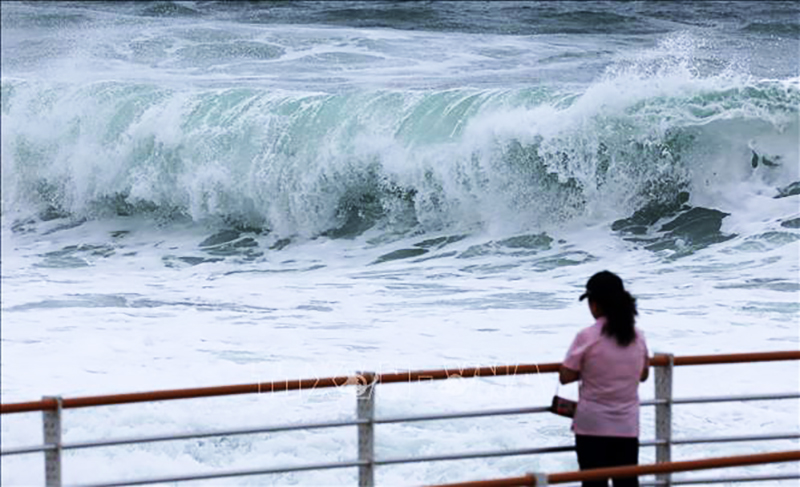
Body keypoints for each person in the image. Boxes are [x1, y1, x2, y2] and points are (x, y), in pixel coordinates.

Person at [560, 271, 649, 487]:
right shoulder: (637, 336)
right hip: (627, 425)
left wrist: (590, 370)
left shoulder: (588, 336)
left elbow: (566, 376)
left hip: (592, 426)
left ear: (596, 305)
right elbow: (643, 374)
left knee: (593, 484)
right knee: (626, 483)